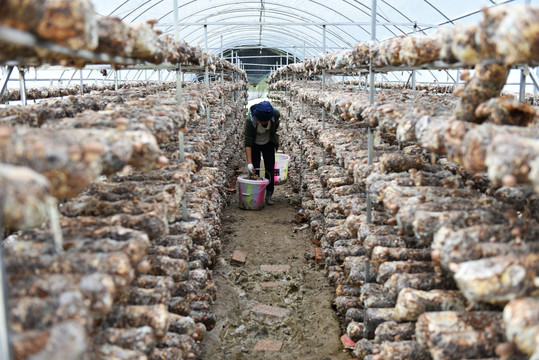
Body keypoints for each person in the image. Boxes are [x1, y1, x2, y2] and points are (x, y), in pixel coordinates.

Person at [243, 100, 280, 205]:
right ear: (258, 119)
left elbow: (275, 127)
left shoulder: (275, 114)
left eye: (266, 121)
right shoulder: (250, 121)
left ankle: (269, 194)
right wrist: (249, 163)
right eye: (262, 121)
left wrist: (273, 139)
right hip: (255, 144)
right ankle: (256, 194)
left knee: (270, 169)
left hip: (268, 143)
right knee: (255, 170)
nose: (264, 123)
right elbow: (248, 142)